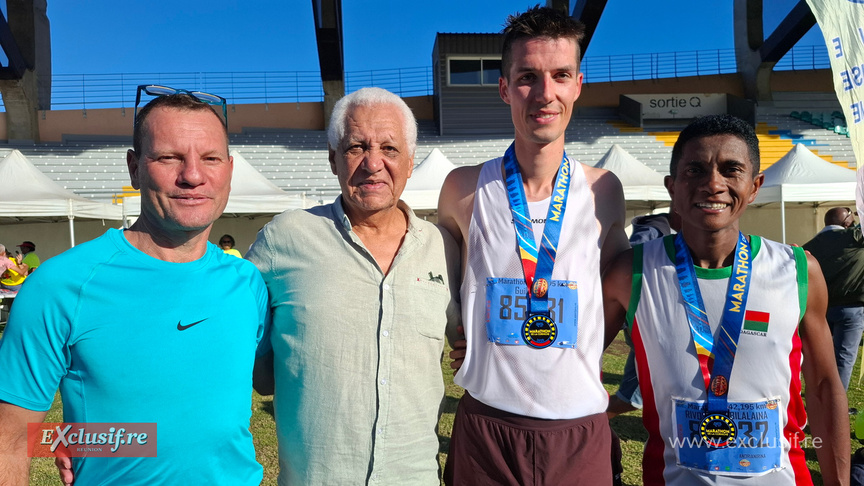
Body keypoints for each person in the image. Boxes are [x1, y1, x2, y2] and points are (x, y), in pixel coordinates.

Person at [0, 91, 269, 485]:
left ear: (229, 169)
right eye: (169, 157)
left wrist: (83, 439)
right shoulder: (61, 284)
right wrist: (65, 438)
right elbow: (10, 441)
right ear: (134, 167)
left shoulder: (247, 283)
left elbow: (247, 393)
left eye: (210, 158)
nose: (193, 175)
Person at [437, 6, 630, 484]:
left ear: (578, 84)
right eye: (527, 77)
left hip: (578, 428)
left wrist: (574, 345)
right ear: (505, 88)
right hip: (488, 428)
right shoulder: (461, 189)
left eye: (560, 75)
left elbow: (617, 292)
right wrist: (463, 335)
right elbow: (441, 282)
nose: (545, 93)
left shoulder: (604, 190)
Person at [602, 115, 849, 485]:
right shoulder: (631, 272)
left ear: (754, 186)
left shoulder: (799, 270)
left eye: (731, 170)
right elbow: (571, 368)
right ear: (672, 186)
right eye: (695, 170)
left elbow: (825, 388)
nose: (713, 184)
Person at [247, 87, 460, 485]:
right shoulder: (285, 238)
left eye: (390, 149)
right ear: (333, 158)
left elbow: (471, 342)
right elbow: (248, 351)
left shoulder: (441, 247)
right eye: (356, 147)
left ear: (411, 162)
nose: (373, 163)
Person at [803, 207, 864, 393]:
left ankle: (819, 397)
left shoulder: (811, 246)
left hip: (821, 309)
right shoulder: (853, 237)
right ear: (846, 222)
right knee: (844, 358)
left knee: (820, 358)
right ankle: (836, 403)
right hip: (852, 309)